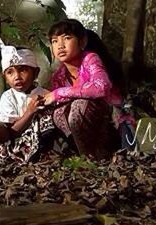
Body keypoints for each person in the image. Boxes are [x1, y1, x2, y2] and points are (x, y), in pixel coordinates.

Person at [42, 19, 136, 160]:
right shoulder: (59, 76)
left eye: (67, 38)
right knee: (57, 112)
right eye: (55, 41)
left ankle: (94, 156)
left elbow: (101, 87)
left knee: (79, 106)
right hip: (85, 133)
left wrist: (59, 93)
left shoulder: (90, 59)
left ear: (82, 42)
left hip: (111, 123)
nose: (60, 45)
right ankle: (84, 155)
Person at [0, 43, 52, 169]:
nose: (17, 77)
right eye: (10, 72)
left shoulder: (45, 94)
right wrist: (30, 111)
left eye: (23, 70)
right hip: (12, 140)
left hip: (38, 140)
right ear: (5, 77)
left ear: (35, 73)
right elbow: (13, 132)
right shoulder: (8, 97)